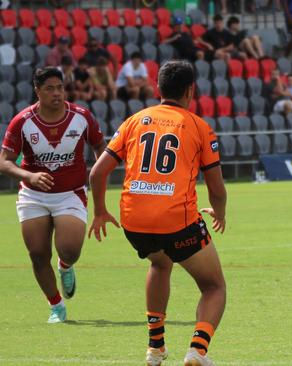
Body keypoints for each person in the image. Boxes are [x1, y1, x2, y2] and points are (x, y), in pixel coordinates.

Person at [87, 60, 227, 366]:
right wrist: (220, 213)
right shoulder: (199, 126)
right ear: (191, 90)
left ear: (157, 89)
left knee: (160, 264)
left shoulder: (134, 121)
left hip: (134, 221)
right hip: (177, 221)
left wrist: (99, 211)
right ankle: (197, 351)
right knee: (214, 286)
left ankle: (155, 348)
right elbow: (216, 187)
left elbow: (97, 174)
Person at [0, 67, 106, 324]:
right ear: (37, 91)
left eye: (60, 87)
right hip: (33, 196)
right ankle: (56, 306)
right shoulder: (22, 121)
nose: (57, 93)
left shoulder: (81, 116)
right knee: (37, 254)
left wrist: (99, 170)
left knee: (70, 250)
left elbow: (100, 146)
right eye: (49, 88)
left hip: (70, 193)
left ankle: (66, 266)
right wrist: (29, 177)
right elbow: (5, 162)